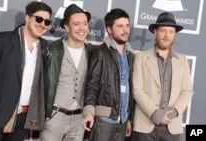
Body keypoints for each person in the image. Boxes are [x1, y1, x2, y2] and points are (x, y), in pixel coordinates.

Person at [0, 1, 52, 141]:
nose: (42, 24)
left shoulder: (44, 46)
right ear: (27, 18)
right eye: (39, 19)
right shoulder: (2, 40)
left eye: (47, 22)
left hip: (23, 117)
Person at [132, 12, 194, 141]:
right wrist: (156, 113)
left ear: (174, 34)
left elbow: (187, 91)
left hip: (172, 126)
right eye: (163, 31)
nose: (167, 36)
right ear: (155, 31)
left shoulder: (182, 60)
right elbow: (137, 90)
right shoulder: (141, 58)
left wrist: (174, 113)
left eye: (171, 32)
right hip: (145, 124)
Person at [39, 4, 94, 141]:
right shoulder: (52, 49)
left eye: (85, 24)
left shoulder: (93, 51)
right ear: (67, 27)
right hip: (54, 116)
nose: (82, 28)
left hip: (79, 119)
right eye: (76, 24)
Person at [81, 8, 135, 141]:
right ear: (109, 29)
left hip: (122, 123)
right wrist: (89, 112)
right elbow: (91, 85)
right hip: (102, 122)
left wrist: (128, 119)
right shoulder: (100, 52)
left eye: (127, 26)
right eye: (120, 26)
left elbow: (130, 90)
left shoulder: (131, 56)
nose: (125, 30)